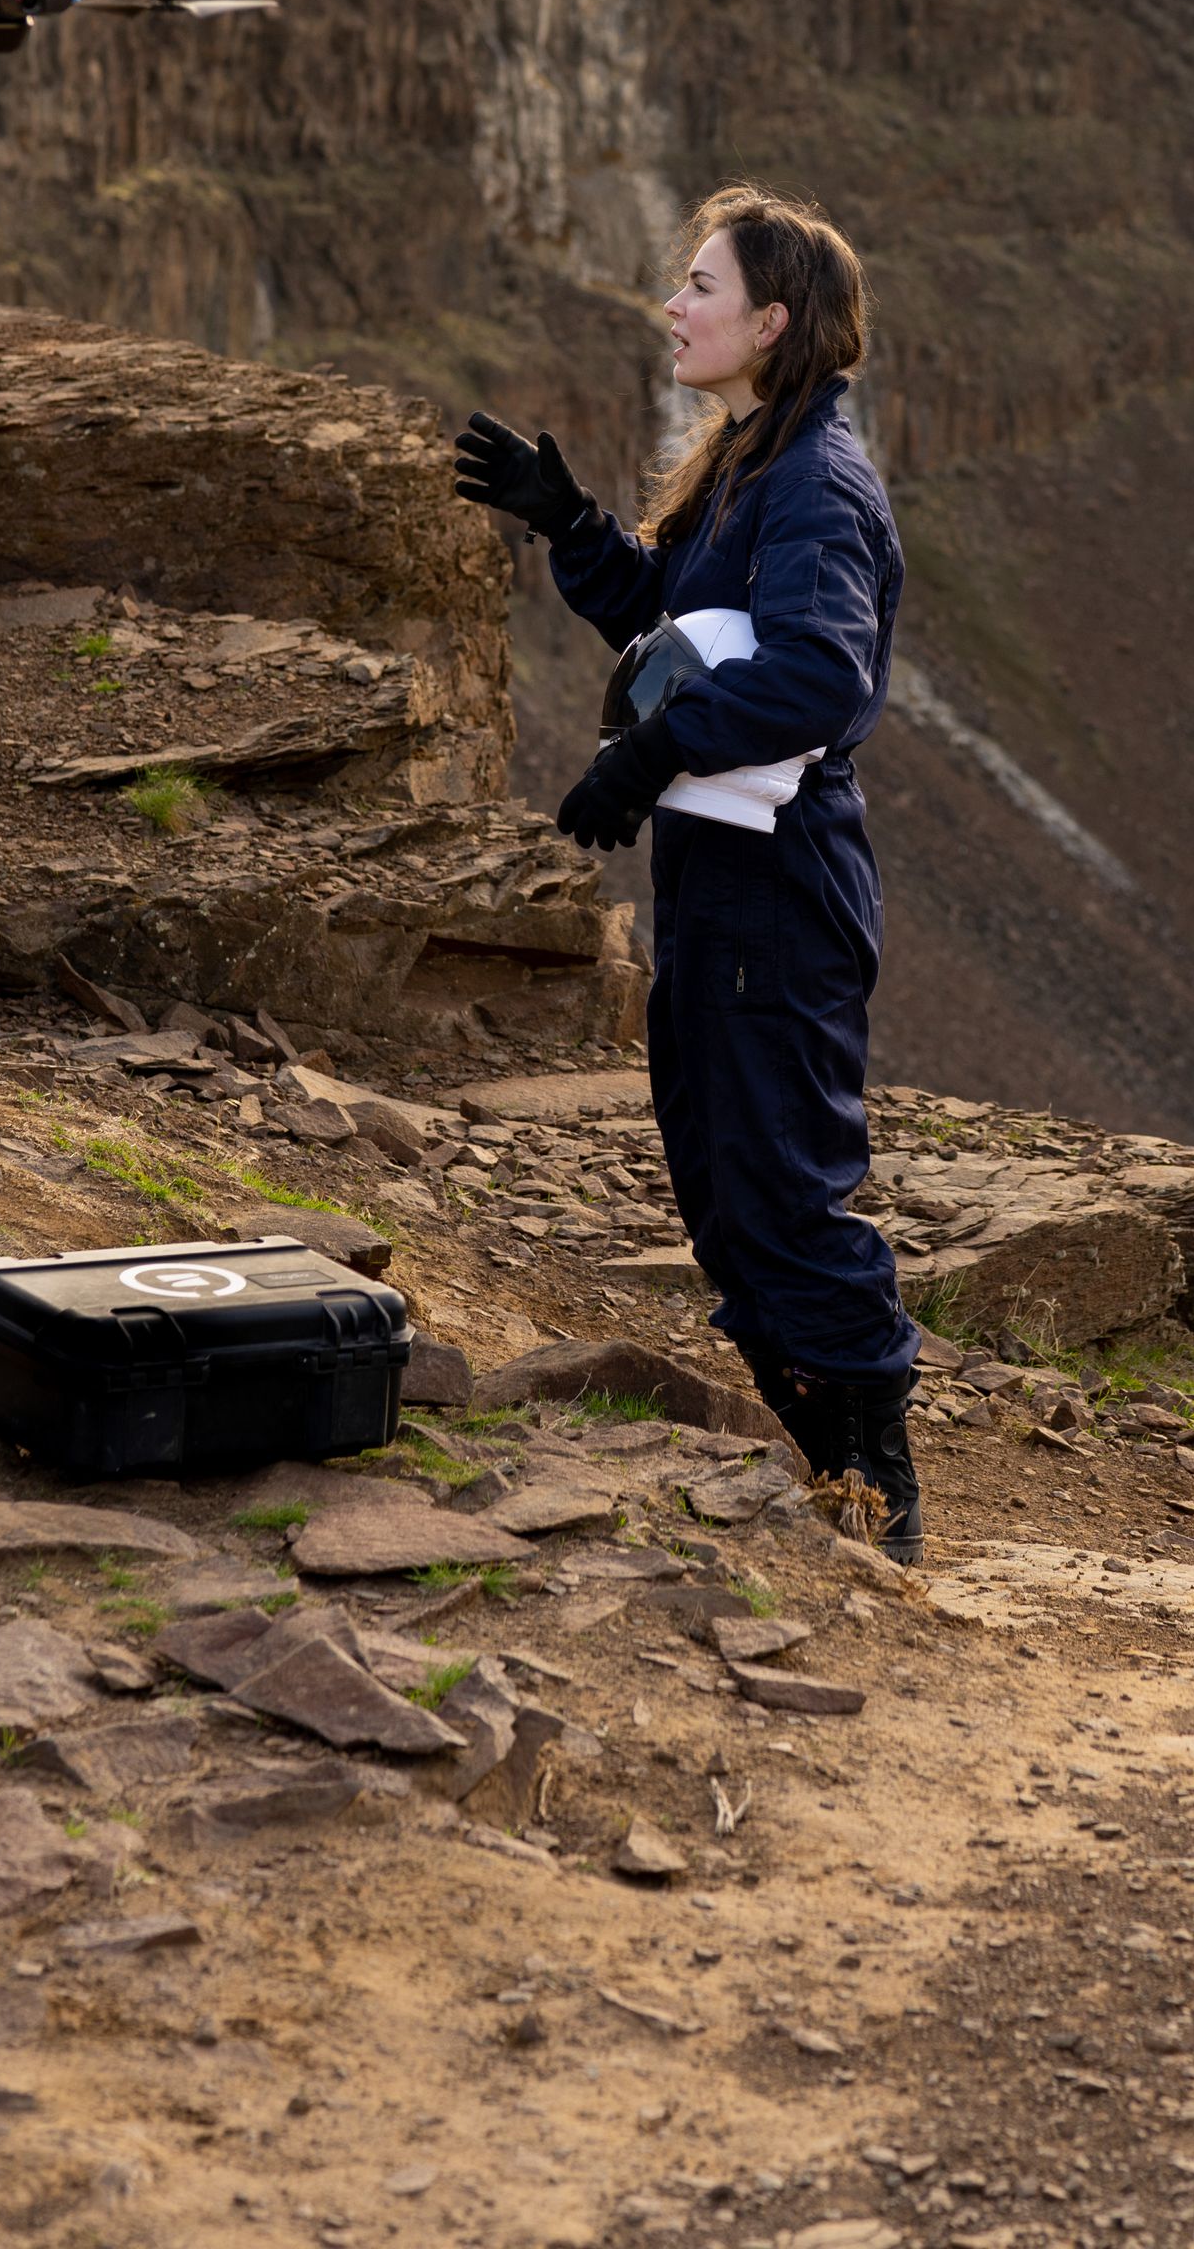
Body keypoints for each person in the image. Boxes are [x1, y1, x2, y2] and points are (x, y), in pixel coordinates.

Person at [454, 190, 922, 1555]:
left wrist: (643, 759)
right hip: (719, 885)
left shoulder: (817, 486)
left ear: (771, 323)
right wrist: (571, 522)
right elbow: (678, 616)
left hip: (780, 892)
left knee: (780, 1184)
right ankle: (835, 1476)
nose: (675, 305)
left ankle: (878, 1495)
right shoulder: (747, 465)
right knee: (723, 1188)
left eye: (700, 286)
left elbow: (816, 676)